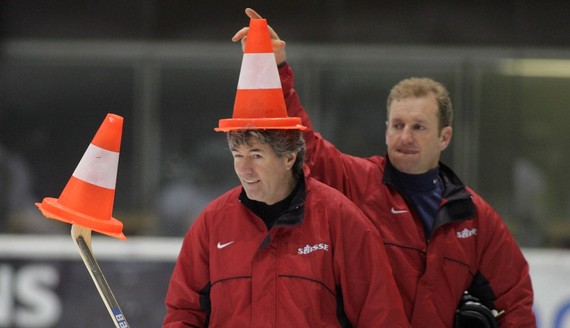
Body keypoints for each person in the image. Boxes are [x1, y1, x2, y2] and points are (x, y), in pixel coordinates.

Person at [232, 8, 536, 328]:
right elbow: (307, 146)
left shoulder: (472, 216)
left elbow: (516, 298)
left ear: (444, 136)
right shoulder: (359, 183)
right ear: (386, 128)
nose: (405, 137)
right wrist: (276, 66)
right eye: (397, 125)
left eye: (419, 127)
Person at [163, 16, 410, 328]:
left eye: (256, 155)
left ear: (290, 156)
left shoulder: (340, 220)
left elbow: (381, 317)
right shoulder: (212, 224)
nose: (244, 167)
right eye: (237, 154)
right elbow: (184, 314)